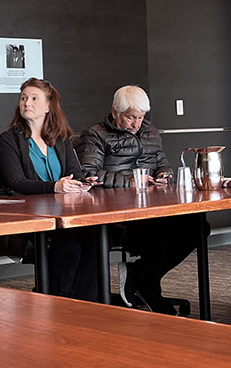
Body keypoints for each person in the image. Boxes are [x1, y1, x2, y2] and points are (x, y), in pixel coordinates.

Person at [77, 85, 201, 314]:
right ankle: (147, 286)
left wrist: (164, 175)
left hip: (152, 206)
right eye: (130, 117)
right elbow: (88, 174)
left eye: (141, 117)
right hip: (116, 213)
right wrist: (132, 182)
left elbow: (162, 163)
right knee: (159, 234)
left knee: (196, 227)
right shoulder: (94, 134)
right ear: (115, 111)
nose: (136, 124)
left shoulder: (150, 131)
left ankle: (142, 276)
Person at [0, 78, 97, 301]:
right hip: (31, 215)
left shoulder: (60, 138)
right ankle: (55, 301)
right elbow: (16, 182)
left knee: (96, 238)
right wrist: (55, 187)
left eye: (34, 98)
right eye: (23, 98)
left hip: (65, 212)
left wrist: (82, 182)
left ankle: (83, 304)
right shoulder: (9, 140)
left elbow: (75, 171)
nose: (27, 103)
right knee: (68, 247)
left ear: (48, 106)